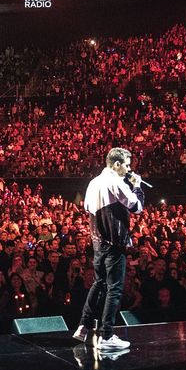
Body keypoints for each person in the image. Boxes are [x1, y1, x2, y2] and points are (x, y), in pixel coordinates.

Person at [73, 147, 144, 350]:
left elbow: (87, 207)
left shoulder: (93, 182)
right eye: (127, 165)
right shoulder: (115, 181)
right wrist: (137, 187)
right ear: (116, 164)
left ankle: (83, 327)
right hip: (114, 243)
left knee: (99, 283)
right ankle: (106, 335)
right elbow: (136, 206)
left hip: (98, 243)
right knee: (114, 288)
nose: (129, 169)